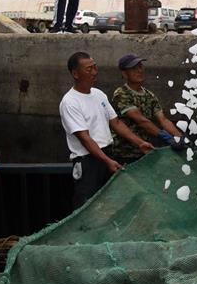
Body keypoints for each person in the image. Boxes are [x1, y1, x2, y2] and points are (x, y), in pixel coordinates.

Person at [59, 52, 153, 208]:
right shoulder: (70, 102)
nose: (95, 72)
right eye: (89, 69)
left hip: (108, 154)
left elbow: (116, 123)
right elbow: (85, 138)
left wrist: (139, 142)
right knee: (88, 206)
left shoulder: (99, 95)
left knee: (110, 206)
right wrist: (106, 161)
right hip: (88, 162)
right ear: (75, 74)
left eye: (95, 67)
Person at [110, 54, 186, 164]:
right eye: (134, 69)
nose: (139, 71)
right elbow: (141, 121)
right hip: (124, 153)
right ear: (124, 73)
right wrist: (167, 137)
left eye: (140, 67)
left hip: (145, 151)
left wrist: (179, 137)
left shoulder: (149, 95)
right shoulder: (121, 94)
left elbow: (163, 120)